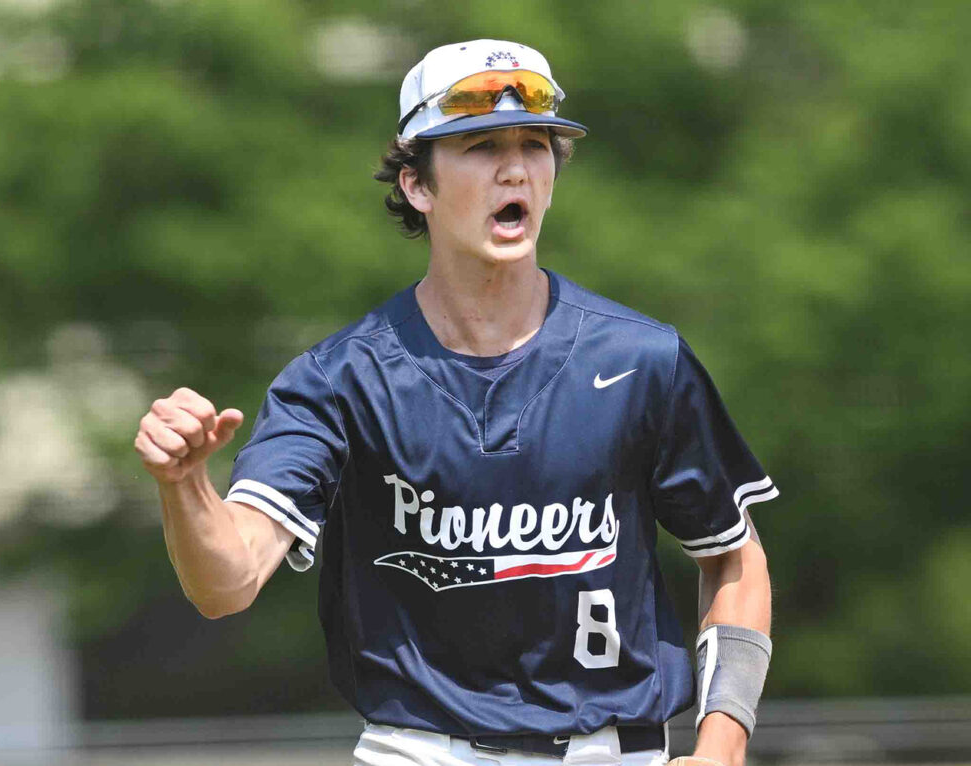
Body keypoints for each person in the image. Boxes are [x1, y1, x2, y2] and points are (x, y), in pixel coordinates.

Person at [134, 39, 776, 766]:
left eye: (536, 144)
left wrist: (722, 745)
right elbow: (229, 582)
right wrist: (184, 485)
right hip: (418, 752)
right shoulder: (339, 380)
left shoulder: (640, 360)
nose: (515, 168)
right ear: (417, 185)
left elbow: (733, 560)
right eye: (478, 145)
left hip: (615, 749)